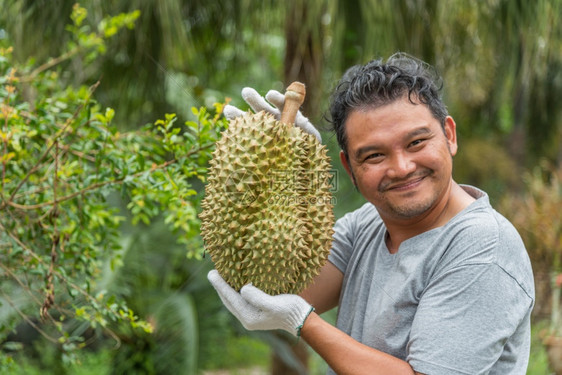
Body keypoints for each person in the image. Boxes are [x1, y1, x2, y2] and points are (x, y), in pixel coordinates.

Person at [207, 53, 535, 375]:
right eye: (375, 155)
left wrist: (303, 322)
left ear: (449, 135)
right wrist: (294, 167)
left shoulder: (483, 249)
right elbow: (275, 289)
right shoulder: (369, 222)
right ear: (349, 167)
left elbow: (295, 308)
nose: (402, 167)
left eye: (417, 142)